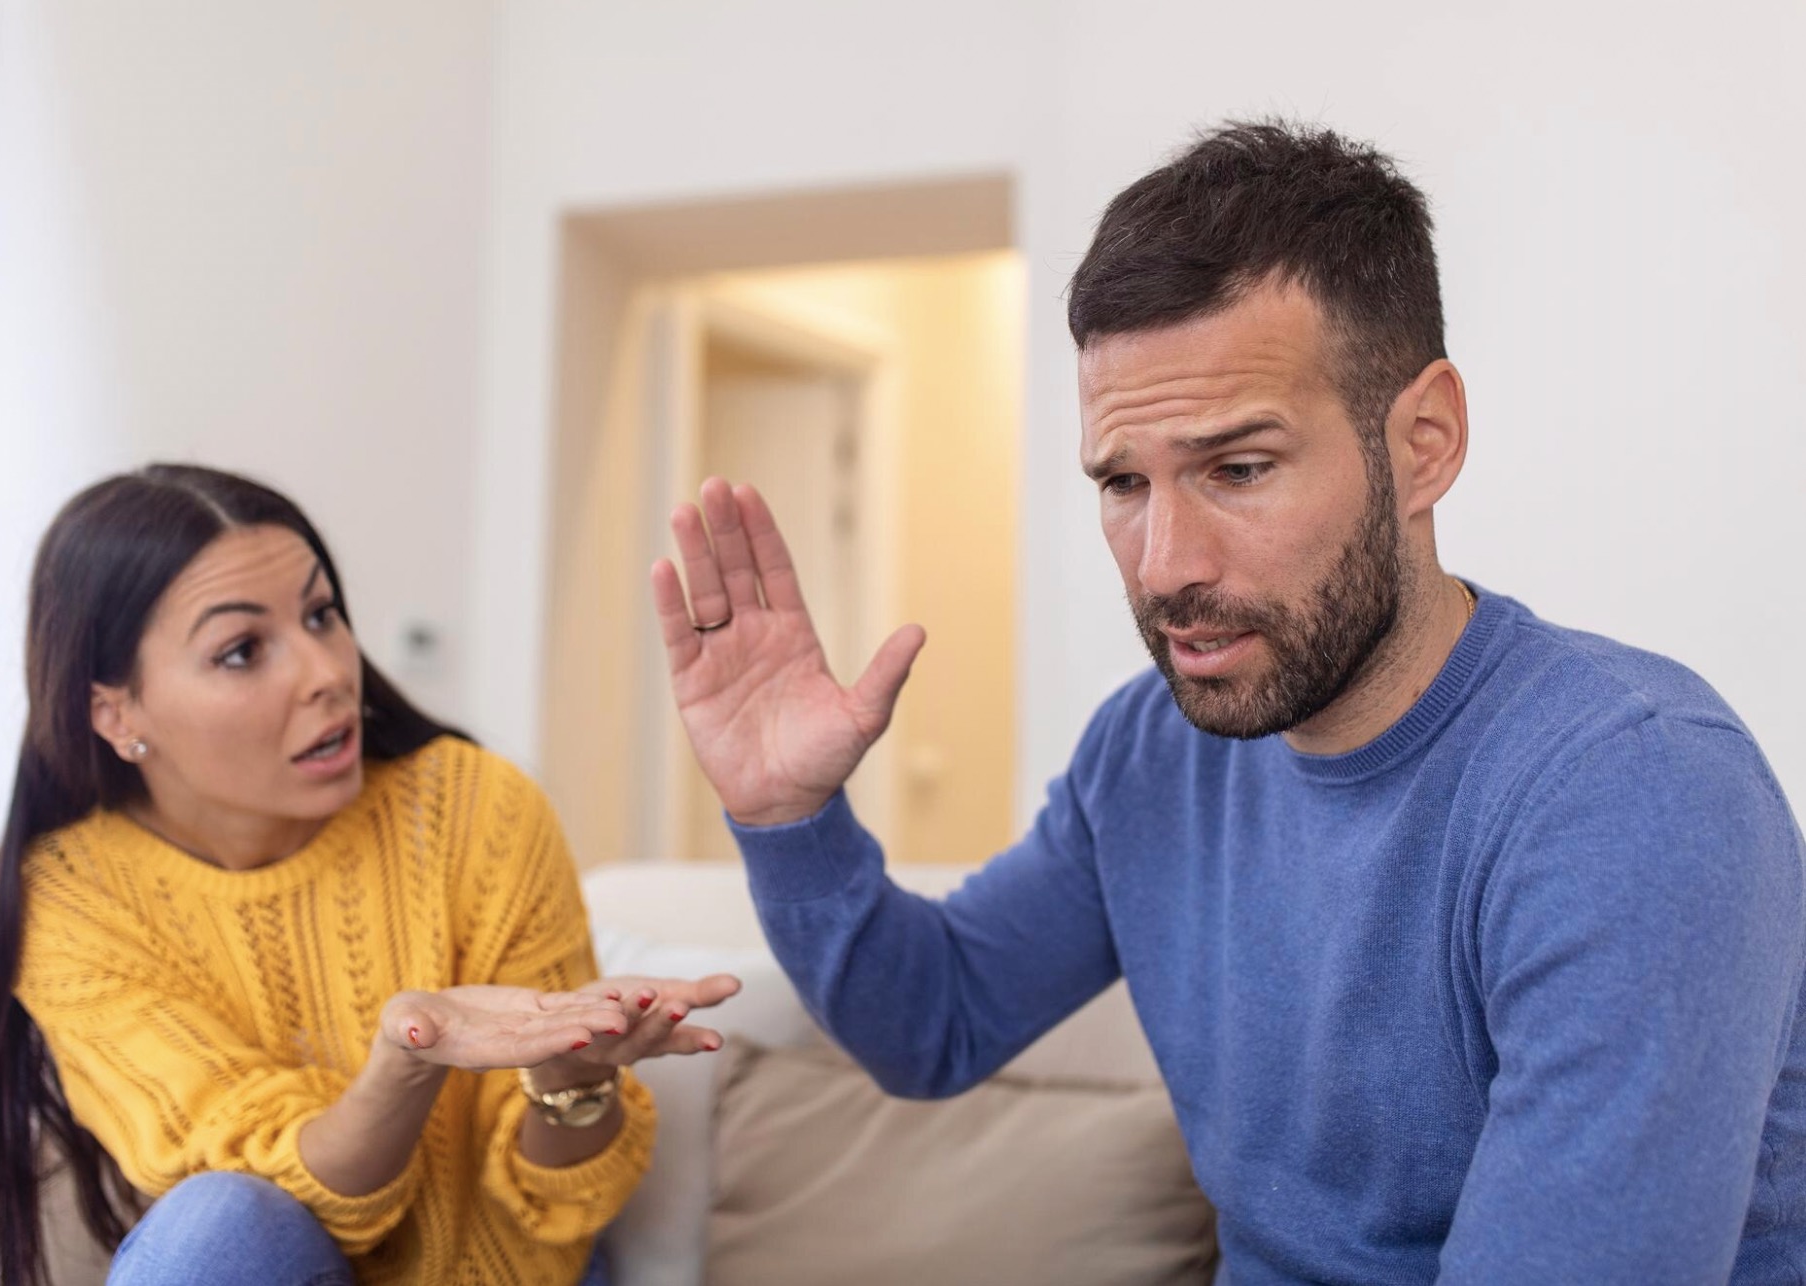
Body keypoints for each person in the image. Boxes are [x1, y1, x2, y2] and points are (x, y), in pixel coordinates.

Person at [650, 122, 1806, 1283]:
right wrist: (788, 814)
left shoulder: (1633, 790)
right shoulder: (1152, 747)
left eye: (1237, 468)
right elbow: (934, 1021)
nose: (1161, 565)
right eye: (1121, 482)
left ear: (1423, 441)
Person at [0, 464, 739, 1286]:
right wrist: (408, 1061)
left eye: (321, 615)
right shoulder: (71, 901)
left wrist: (573, 1078)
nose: (327, 671)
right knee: (219, 1219)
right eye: (242, 650)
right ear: (119, 715)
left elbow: (556, 1210)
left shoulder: (473, 809)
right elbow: (265, 1200)